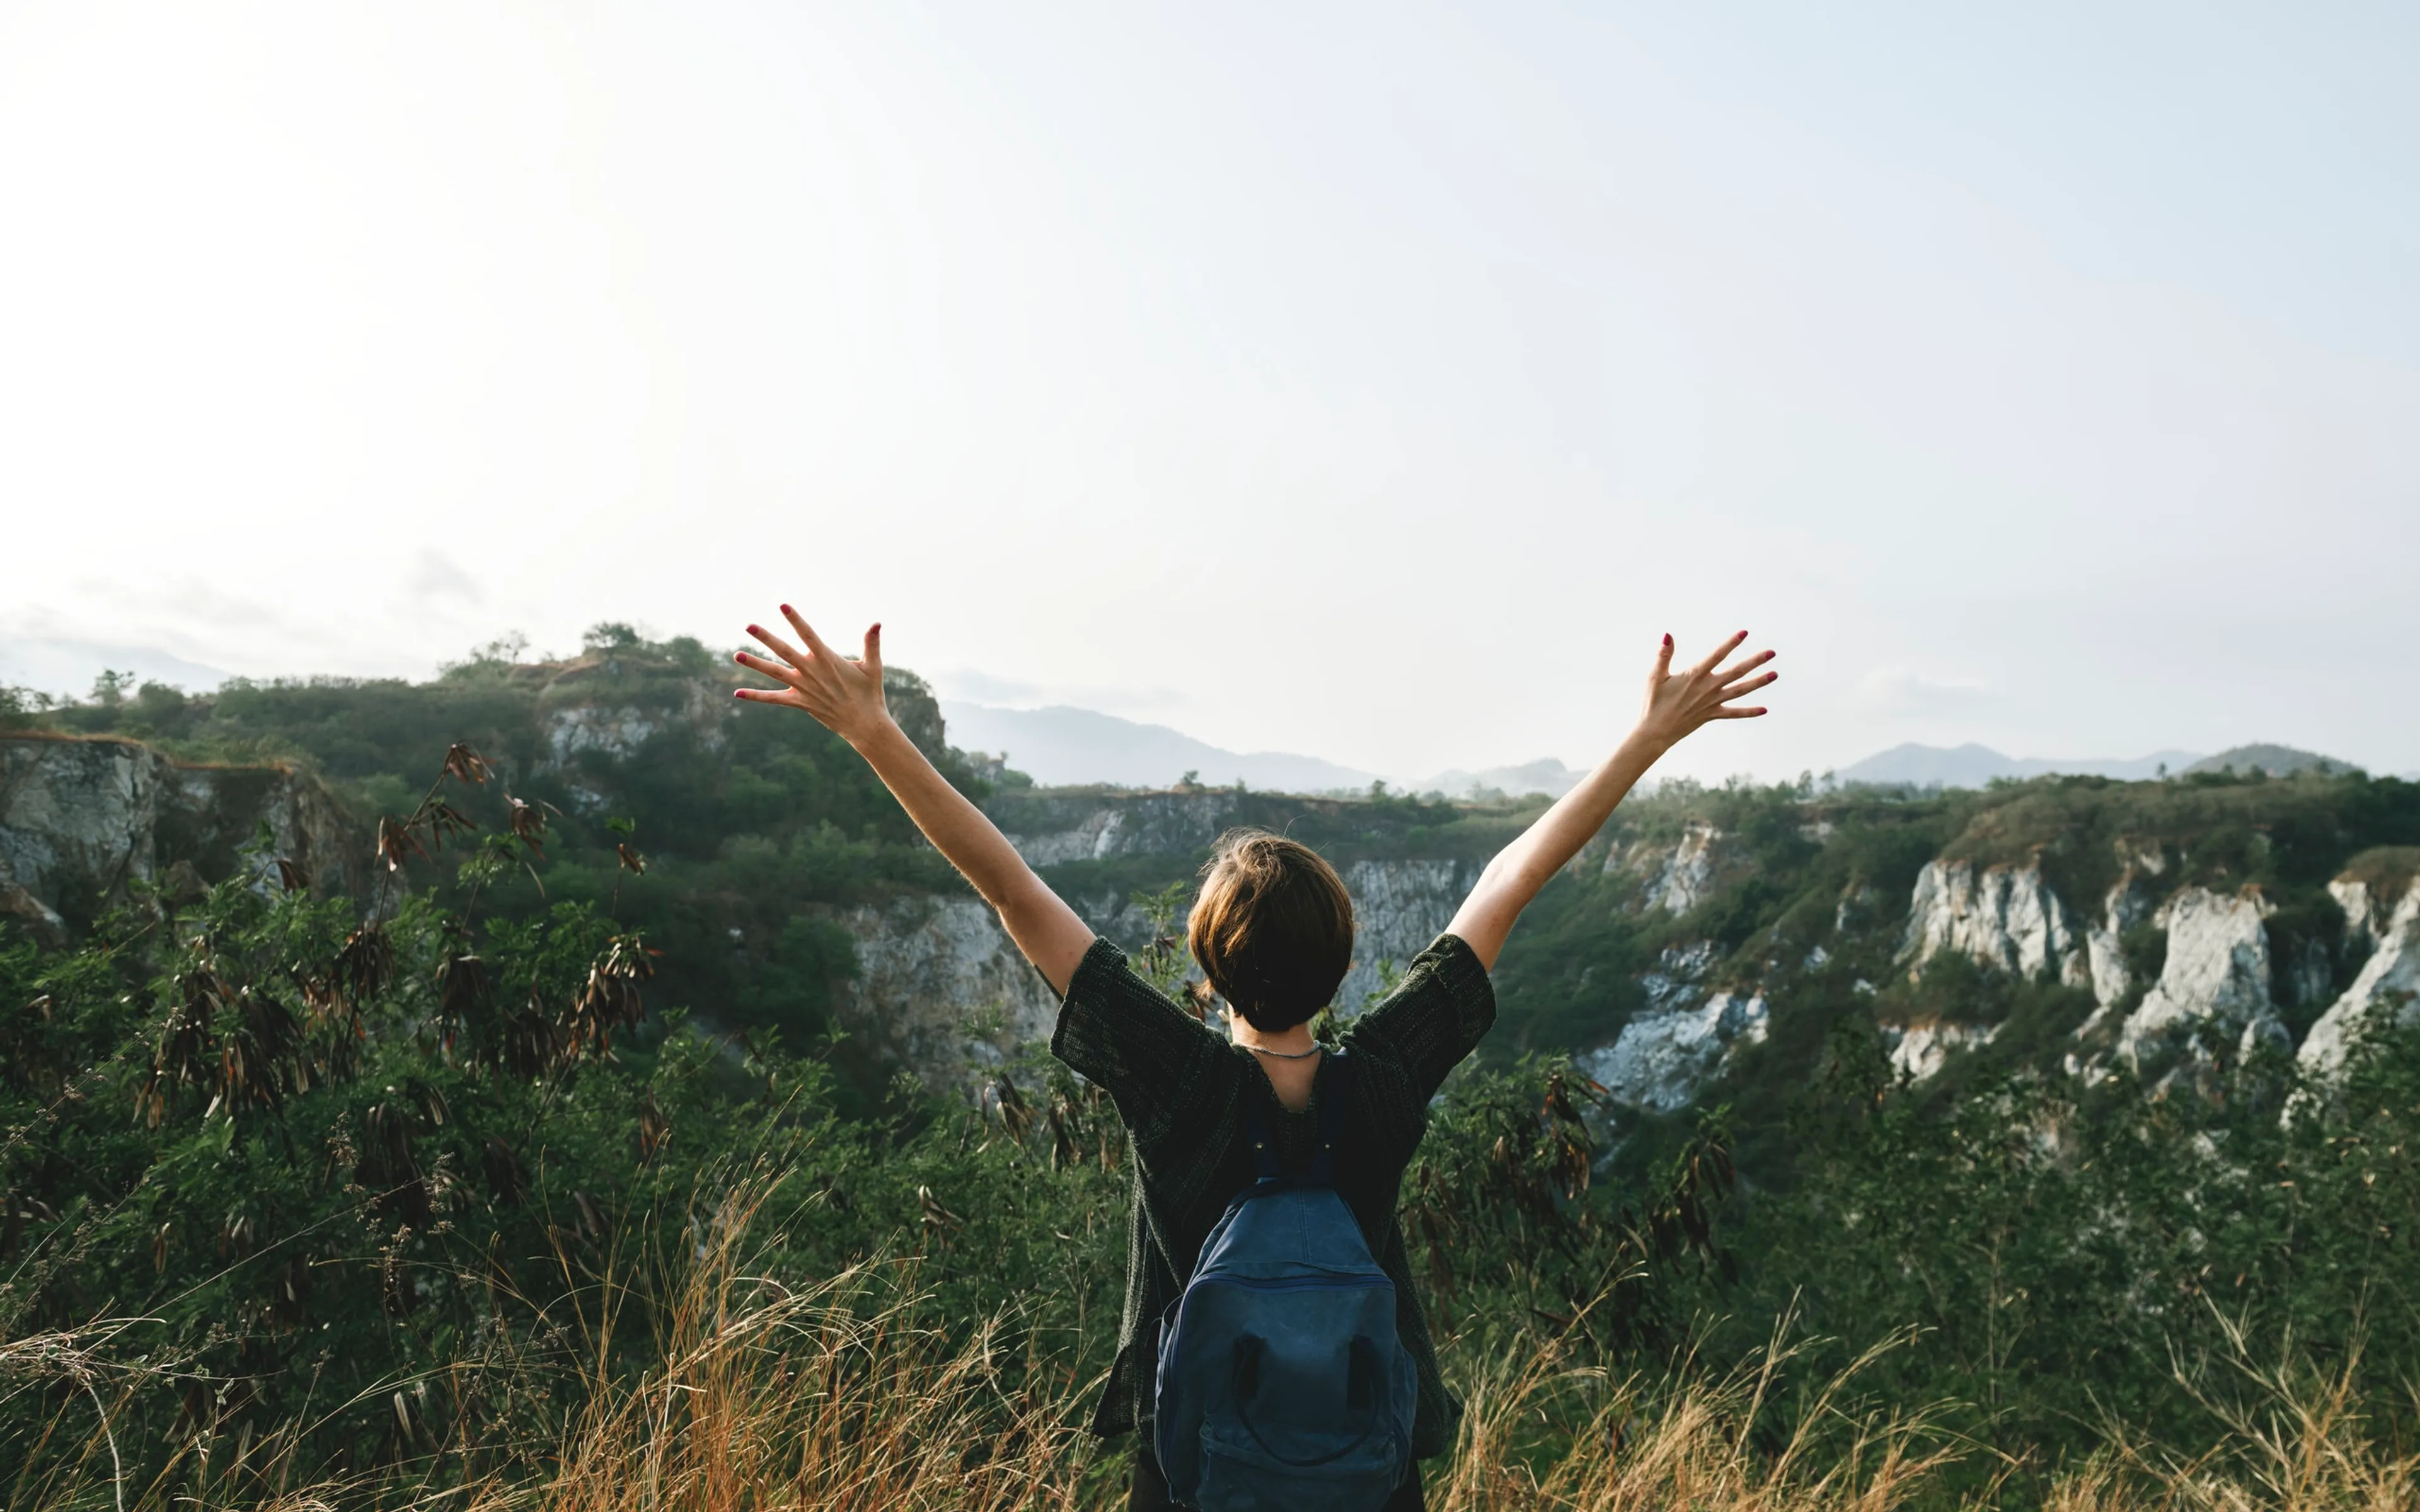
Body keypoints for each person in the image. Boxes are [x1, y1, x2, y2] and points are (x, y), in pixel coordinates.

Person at [733, 610, 1775, 1510]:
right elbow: (1510, 879)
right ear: (1346, 959)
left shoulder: (1177, 1084)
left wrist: (871, 732)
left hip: (1195, 1468)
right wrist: (1646, 739)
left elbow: (1010, 888)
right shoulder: (1383, 1080)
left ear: (1206, 964)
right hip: (1367, 1467)